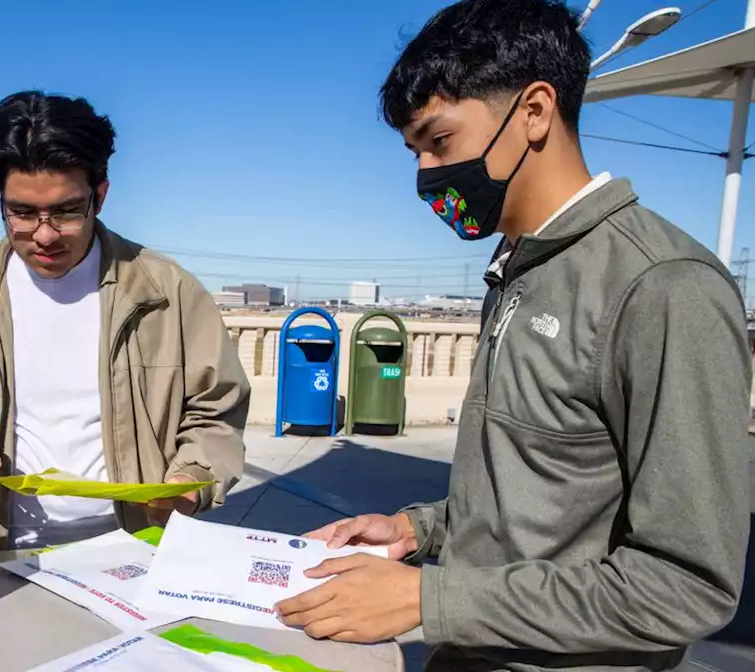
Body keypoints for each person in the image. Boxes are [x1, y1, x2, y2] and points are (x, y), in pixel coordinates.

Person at [275, 1, 751, 669]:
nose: (425, 176)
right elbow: (540, 496)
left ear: (534, 111)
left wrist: (429, 599)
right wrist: (417, 529)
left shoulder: (666, 287)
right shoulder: (516, 269)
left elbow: (687, 587)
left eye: (439, 142)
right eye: (415, 153)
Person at [0, 91, 250, 558]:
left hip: (135, 549)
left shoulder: (169, 294)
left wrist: (191, 478)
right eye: (21, 212)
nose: (44, 234)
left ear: (100, 196)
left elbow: (216, 408)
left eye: (66, 211)